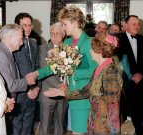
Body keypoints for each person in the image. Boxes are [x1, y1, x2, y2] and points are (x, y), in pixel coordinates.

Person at [27, 6, 98, 134]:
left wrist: (72, 73)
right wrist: (37, 73)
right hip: (72, 97)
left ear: (75, 22)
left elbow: (96, 70)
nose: (63, 28)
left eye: (65, 24)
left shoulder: (89, 42)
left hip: (84, 98)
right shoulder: (68, 42)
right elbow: (55, 65)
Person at [44, 33, 123, 135]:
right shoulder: (100, 69)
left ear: (99, 51)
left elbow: (113, 107)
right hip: (95, 123)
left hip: (104, 128)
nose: (90, 51)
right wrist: (62, 93)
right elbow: (86, 91)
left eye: (92, 49)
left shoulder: (110, 72)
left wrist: (113, 132)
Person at [0, 24, 30, 135]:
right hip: (3, 103)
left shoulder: (5, 51)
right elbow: (10, 85)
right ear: (9, 38)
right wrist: (27, 81)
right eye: (20, 39)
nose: (22, 42)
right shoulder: (0, 55)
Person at [119, 15, 143, 135]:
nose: (137, 27)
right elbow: (116, 60)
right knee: (125, 113)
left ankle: (139, 131)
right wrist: (130, 75)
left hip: (142, 83)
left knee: (140, 113)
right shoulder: (118, 40)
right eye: (134, 24)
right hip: (125, 83)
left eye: (138, 24)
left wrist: (141, 74)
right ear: (126, 25)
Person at [13, 12, 40, 135]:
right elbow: (14, 70)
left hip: (33, 93)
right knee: (17, 125)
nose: (28, 28)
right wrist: (27, 88)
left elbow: (37, 67)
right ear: (17, 26)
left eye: (30, 25)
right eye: (24, 25)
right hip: (20, 93)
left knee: (29, 126)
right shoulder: (13, 44)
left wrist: (37, 87)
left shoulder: (33, 43)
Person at [39, 22, 67, 135]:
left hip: (64, 93)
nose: (54, 36)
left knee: (59, 126)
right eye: (52, 33)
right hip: (48, 92)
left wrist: (64, 89)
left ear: (64, 34)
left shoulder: (69, 48)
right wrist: (60, 87)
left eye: (58, 34)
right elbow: (44, 70)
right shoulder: (43, 48)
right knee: (45, 127)